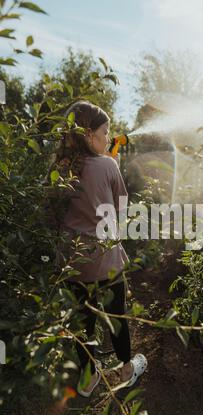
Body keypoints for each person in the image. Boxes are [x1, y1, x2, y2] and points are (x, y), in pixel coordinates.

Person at [50, 100, 147, 397]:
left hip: (73, 261)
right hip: (106, 259)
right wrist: (112, 166)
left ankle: (88, 379)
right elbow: (120, 206)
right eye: (105, 132)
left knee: (84, 321)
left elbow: (52, 211)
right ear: (88, 134)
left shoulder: (60, 167)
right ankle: (127, 369)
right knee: (117, 314)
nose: (108, 138)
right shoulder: (108, 164)